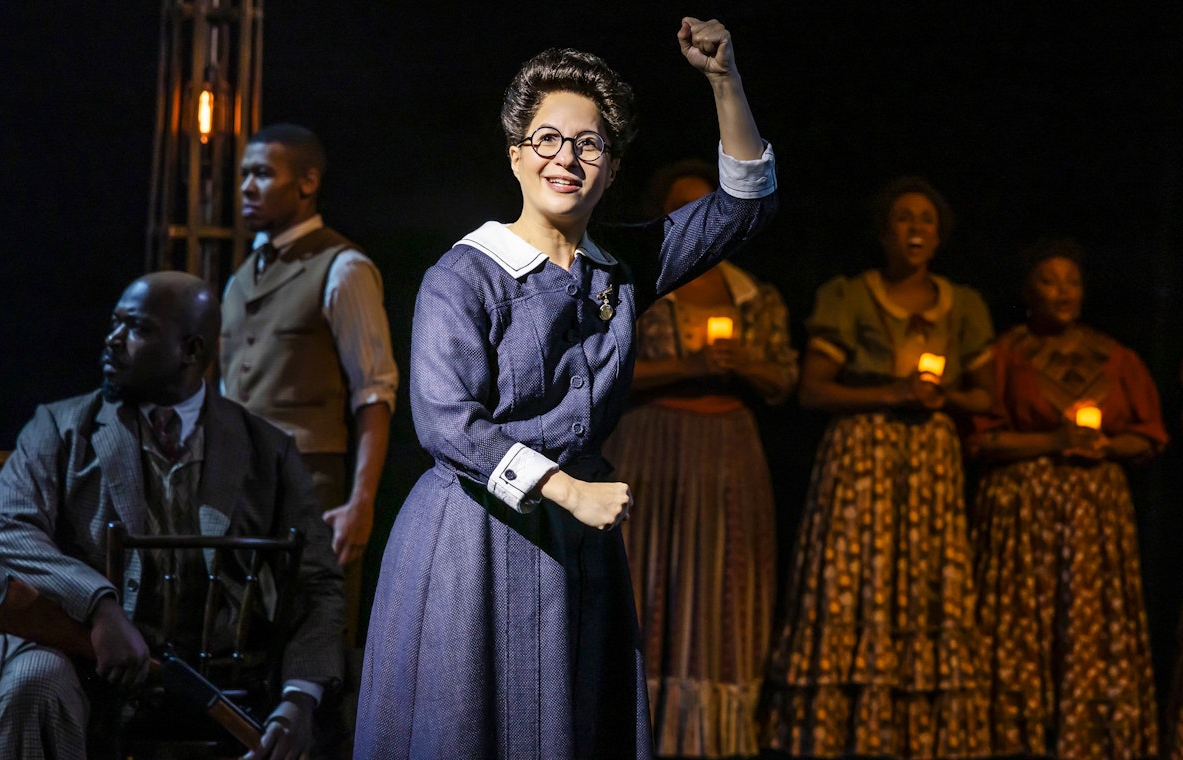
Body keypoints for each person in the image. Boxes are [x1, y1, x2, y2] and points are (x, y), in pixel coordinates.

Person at [356, 17, 777, 760]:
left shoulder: (620, 265)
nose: (568, 158)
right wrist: (566, 491)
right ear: (518, 155)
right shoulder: (464, 275)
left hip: (574, 547)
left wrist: (723, 80)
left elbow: (743, 204)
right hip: (477, 535)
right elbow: (447, 422)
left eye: (590, 144)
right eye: (548, 139)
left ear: (611, 167)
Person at [0, 271, 346, 760]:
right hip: (82, 662)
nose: (112, 339)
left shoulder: (266, 450)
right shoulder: (61, 428)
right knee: (32, 685)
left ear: (191, 351)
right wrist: (99, 606)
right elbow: (4, 535)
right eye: (115, 323)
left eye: (136, 328)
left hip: (222, 676)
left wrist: (300, 697)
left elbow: (317, 585)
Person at [760, 177, 993, 758]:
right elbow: (813, 391)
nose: (915, 230)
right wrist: (893, 393)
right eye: (904, 220)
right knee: (853, 580)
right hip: (863, 454)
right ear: (885, 233)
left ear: (939, 238)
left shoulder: (962, 304)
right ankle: (841, 727)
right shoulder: (851, 295)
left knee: (922, 582)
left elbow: (985, 396)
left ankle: (919, 732)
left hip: (930, 463)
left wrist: (939, 397)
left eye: (926, 221)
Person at [600, 160, 798, 757]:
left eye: (704, 206)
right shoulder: (633, 282)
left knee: (718, 583)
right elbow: (598, 371)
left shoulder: (750, 294)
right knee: (648, 577)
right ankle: (633, 725)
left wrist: (740, 364)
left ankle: (707, 739)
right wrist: (683, 368)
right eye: (678, 210)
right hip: (650, 448)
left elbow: (785, 378)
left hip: (727, 456)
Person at [968, 239, 1164, 759]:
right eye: (1050, 281)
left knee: (1089, 622)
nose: (1063, 292)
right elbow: (983, 437)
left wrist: (1105, 446)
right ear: (1028, 291)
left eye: (1072, 281)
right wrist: (1052, 443)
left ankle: (1089, 734)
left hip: (1094, 518)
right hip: (1024, 515)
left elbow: (1147, 435)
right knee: (1021, 625)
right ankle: (1016, 736)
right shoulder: (1005, 353)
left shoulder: (1116, 357)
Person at [220, 123, 398, 645]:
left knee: (312, 645)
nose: (247, 187)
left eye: (262, 174)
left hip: (309, 485)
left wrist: (361, 502)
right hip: (240, 484)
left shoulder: (343, 268)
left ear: (306, 182)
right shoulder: (240, 276)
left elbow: (375, 393)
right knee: (240, 644)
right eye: (243, 175)